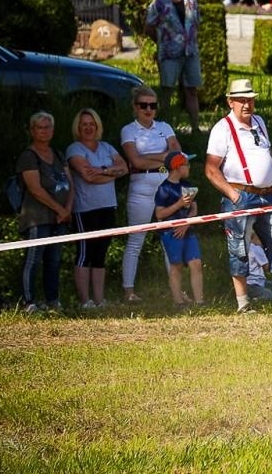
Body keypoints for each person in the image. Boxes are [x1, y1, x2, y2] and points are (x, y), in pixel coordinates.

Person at [204, 78, 272, 313]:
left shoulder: (259, 122)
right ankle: (243, 303)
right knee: (240, 249)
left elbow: (269, 154)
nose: (247, 105)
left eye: (250, 100)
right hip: (241, 195)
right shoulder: (222, 129)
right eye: (242, 100)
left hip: (268, 196)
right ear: (230, 102)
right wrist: (232, 195)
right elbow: (210, 169)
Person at [119, 84, 183, 303]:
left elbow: (177, 154)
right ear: (135, 107)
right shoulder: (129, 130)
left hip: (166, 185)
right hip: (142, 187)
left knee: (170, 239)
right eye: (143, 105)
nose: (148, 109)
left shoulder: (164, 126)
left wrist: (159, 157)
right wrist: (164, 155)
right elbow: (136, 161)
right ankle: (129, 291)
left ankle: (177, 292)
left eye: (152, 105)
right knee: (136, 239)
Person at [65, 107, 129, 307]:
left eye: (91, 124)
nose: (88, 128)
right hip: (85, 209)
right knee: (85, 253)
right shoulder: (74, 149)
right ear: (78, 127)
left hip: (107, 206)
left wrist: (102, 171)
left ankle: (100, 300)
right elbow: (87, 177)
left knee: (101, 254)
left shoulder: (107, 147)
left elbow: (125, 168)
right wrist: (112, 173)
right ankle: (85, 301)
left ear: (97, 126)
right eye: (84, 124)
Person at [16, 111, 73, 311]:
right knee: (33, 259)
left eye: (48, 127)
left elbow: (70, 184)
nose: (44, 131)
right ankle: (28, 301)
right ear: (32, 130)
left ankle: (52, 300)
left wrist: (67, 209)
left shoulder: (58, 154)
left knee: (54, 260)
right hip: (36, 218)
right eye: (40, 127)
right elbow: (35, 189)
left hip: (59, 219)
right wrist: (59, 208)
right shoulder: (28, 156)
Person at [144, 0, 203, 133]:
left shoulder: (190, 0)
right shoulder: (159, 2)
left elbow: (196, 24)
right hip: (169, 55)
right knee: (167, 91)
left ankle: (195, 128)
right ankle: (163, 128)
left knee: (192, 90)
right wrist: (162, 42)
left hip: (190, 52)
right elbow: (148, 27)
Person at [153, 151, 205, 308]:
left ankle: (199, 301)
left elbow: (194, 209)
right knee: (176, 266)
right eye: (186, 164)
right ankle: (178, 302)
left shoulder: (187, 185)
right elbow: (159, 214)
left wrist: (186, 224)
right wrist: (178, 204)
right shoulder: (164, 189)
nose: (189, 167)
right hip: (171, 232)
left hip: (187, 231)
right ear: (177, 167)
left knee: (196, 263)